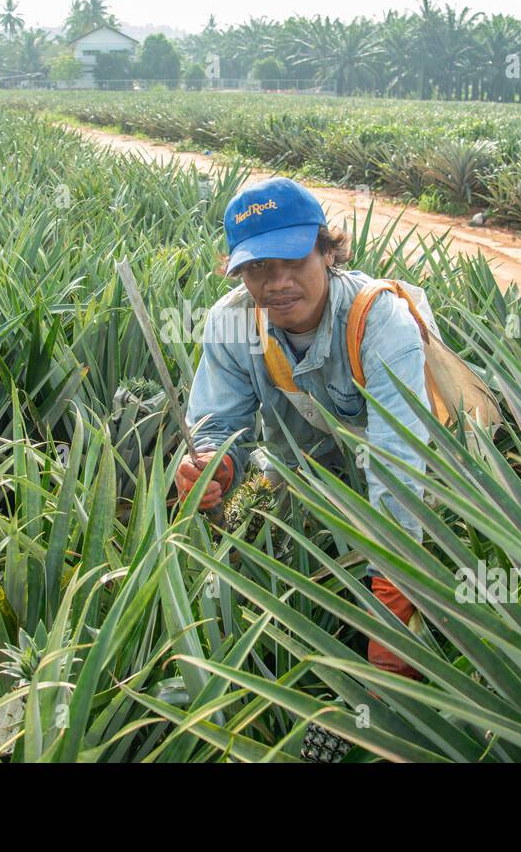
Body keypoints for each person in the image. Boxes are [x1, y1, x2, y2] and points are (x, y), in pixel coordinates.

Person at [174, 175, 434, 678]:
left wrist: (395, 596)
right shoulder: (232, 322)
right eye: (258, 268)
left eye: (293, 260)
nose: (276, 283)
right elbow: (219, 421)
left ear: (326, 252)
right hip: (307, 472)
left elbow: (398, 467)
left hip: (417, 468)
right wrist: (215, 465)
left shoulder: (379, 320)